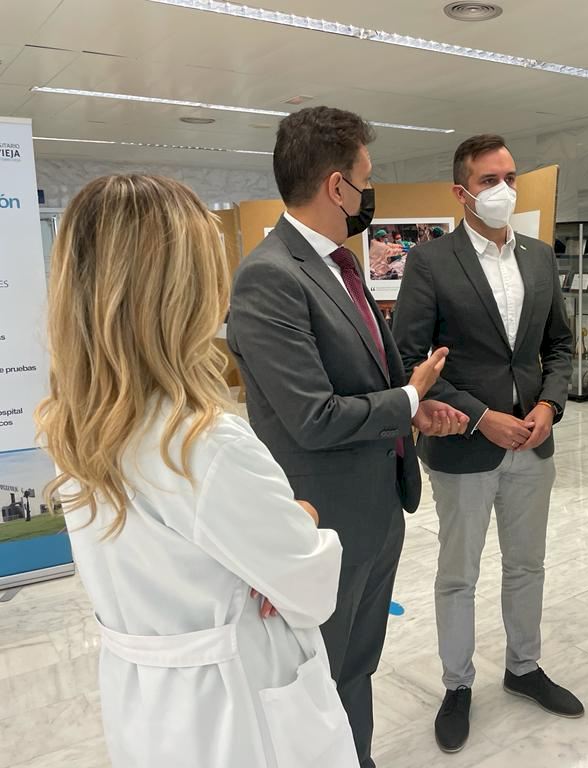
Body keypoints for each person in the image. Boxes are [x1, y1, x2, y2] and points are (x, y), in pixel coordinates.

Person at [36, 174, 358, 767]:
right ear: (183, 290)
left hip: (147, 703)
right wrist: (302, 518)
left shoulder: (72, 427)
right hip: (239, 708)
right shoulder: (202, 444)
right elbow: (309, 586)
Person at [227, 107, 468, 768]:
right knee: (320, 678)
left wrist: (411, 413)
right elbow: (312, 416)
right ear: (338, 186)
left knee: (356, 667)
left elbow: (365, 380)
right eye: (367, 177)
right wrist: (409, 397)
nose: (370, 191)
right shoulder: (270, 277)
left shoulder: (340, 265)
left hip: (377, 507)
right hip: (324, 519)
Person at [392, 134, 579, 754]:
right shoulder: (430, 262)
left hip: (533, 442)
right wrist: (480, 417)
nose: (503, 190)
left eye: (510, 177)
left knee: (527, 565)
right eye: (489, 180)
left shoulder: (539, 257)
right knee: (459, 574)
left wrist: (549, 405)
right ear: (461, 191)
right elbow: (412, 359)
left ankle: (524, 667)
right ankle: (457, 684)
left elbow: (558, 346)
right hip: (464, 446)